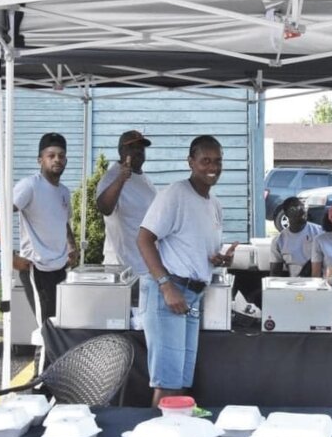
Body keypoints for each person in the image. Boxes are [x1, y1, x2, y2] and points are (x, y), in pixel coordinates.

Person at [137, 135, 236, 408]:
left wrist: (219, 259)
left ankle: (173, 435)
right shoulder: (174, 195)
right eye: (205, 160)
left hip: (193, 297)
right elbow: (144, 239)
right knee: (167, 382)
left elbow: (194, 250)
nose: (212, 166)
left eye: (217, 161)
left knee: (180, 379)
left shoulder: (213, 203)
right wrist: (166, 286)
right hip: (170, 293)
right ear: (190, 162)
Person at [0, 132, 78, 325]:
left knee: (59, 323)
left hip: (59, 266)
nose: (57, 160)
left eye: (61, 156)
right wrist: (10, 257)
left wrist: (72, 247)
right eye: (51, 155)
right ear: (40, 160)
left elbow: (63, 222)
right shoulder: (30, 186)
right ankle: (42, 357)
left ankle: (48, 356)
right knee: (47, 326)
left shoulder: (63, 191)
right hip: (36, 267)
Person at [95, 130, 157, 275]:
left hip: (145, 266)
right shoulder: (112, 177)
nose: (138, 151)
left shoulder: (145, 180)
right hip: (121, 268)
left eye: (141, 147)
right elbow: (104, 208)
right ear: (121, 150)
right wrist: (121, 179)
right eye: (132, 147)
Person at [269, 197, 322, 277]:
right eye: (296, 208)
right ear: (286, 214)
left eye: (303, 207)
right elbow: (275, 273)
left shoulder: (319, 232)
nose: (302, 211)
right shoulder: (279, 241)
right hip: (294, 283)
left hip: (318, 282)